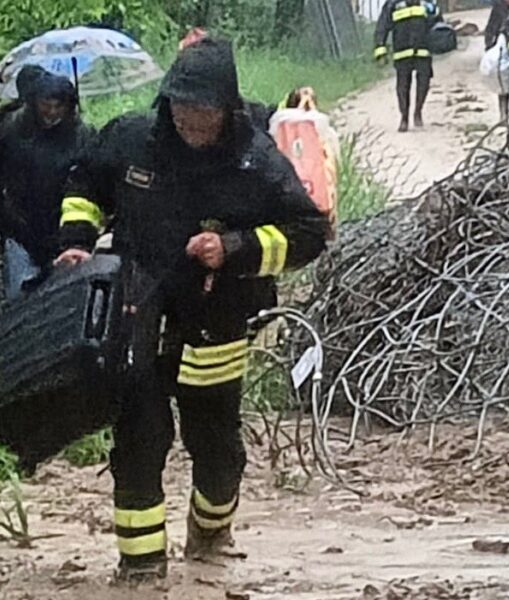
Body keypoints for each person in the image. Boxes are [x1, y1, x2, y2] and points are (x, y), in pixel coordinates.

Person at [53, 37, 327, 583]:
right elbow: (84, 183)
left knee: (217, 451)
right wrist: (78, 238)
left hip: (217, 326)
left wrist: (236, 248)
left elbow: (310, 232)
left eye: (200, 109)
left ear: (226, 108)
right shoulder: (133, 140)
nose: (188, 119)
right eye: (179, 106)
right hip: (139, 319)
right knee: (140, 439)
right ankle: (140, 569)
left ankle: (208, 536)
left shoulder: (257, 162)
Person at [0, 65, 92, 300]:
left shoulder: (83, 137)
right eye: (46, 104)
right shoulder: (11, 128)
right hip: (18, 227)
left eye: (58, 106)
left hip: (61, 232)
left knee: (54, 299)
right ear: (34, 102)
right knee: (18, 298)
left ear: (68, 106)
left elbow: (92, 187)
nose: (51, 112)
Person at [374, 0, 441, 132]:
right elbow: (382, 27)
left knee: (424, 82)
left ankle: (418, 111)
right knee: (403, 86)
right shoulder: (392, 4)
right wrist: (380, 48)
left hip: (423, 49)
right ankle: (404, 117)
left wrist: (442, 40)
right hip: (402, 52)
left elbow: (438, 23)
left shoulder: (426, 3)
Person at [484, 0, 509, 121]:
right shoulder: (499, 7)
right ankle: (503, 116)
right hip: (503, 51)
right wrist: (490, 48)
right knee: (502, 84)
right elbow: (491, 28)